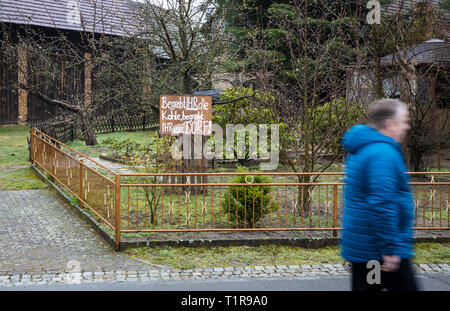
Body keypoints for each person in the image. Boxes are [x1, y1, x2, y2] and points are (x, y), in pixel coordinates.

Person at [340, 98, 419, 291]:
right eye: (404, 121)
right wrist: (390, 249)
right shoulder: (382, 153)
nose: (407, 126)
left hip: (368, 247)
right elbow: (381, 204)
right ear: (391, 124)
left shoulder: (366, 149)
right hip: (378, 251)